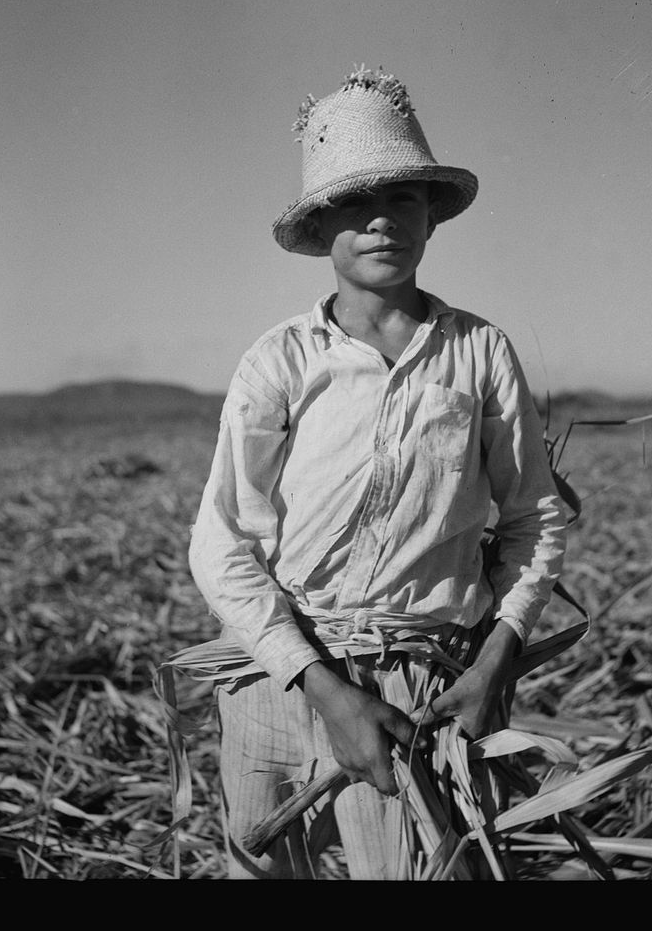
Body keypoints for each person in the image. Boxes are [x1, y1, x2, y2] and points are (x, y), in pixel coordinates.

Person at [187, 65, 568, 879]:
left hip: (422, 691)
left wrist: (496, 658)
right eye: (355, 204)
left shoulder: (480, 352)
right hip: (277, 677)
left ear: (430, 216)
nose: (381, 222)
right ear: (322, 229)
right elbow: (221, 545)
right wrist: (324, 687)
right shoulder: (280, 361)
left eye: (402, 198)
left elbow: (534, 518)